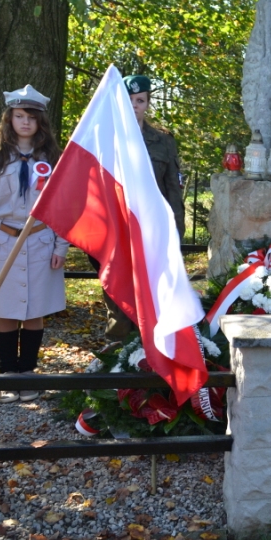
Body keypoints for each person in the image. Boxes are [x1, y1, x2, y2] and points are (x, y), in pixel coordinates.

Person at [0, 86, 66, 403]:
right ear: (9, 118)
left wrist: (60, 246)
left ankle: (27, 372)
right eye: (19, 115)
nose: (25, 122)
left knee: (34, 310)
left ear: (41, 121)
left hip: (40, 240)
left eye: (31, 117)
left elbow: (62, 206)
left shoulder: (52, 157)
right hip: (2, 240)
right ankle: (7, 374)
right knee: (5, 311)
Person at [89, 74, 185, 340]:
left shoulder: (163, 141)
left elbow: (173, 190)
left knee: (152, 295)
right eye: (128, 100)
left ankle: (149, 354)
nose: (134, 105)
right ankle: (118, 356)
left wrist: (176, 232)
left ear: (147, 104)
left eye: (140, 100)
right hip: (115, 231)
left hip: (151, 231)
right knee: (118, 297)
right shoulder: (103, 138)